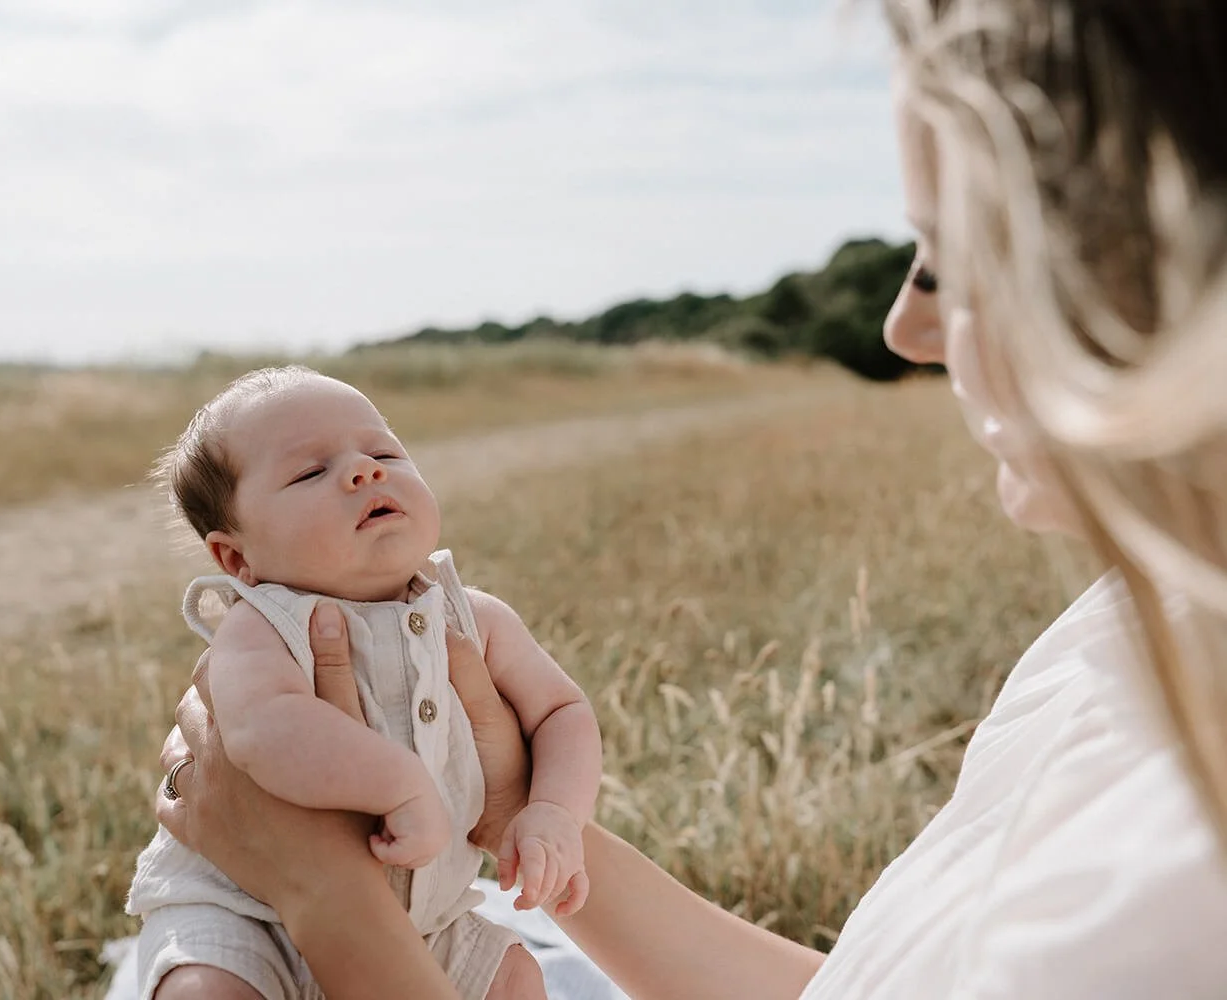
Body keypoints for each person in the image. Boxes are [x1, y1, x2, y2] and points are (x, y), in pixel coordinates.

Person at [153, 1, 1227, 996]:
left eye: (948, 259)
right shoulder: (1142, 618)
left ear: (1163, 270)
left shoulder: (1173, 868)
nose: (903, 329)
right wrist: (515, 808)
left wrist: (330, 901)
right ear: (232, 557)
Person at [128, 367, 603, 999]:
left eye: (383, 452)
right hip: (247, 910)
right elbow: (260, 729)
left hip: (425, 919)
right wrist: (400, 784)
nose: (365, 471)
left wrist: (553, 811)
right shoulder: (262, 628)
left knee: (516, 976)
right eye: (309, 472)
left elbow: (562, 711)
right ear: (237, 559)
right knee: (202, 989)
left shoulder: (473, 619)